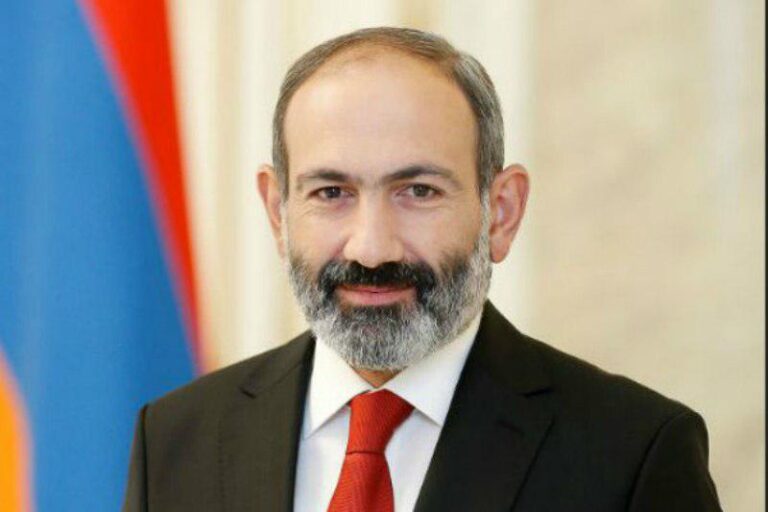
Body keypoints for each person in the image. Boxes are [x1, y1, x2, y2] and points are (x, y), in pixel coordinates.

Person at [122, 27, 721, 511]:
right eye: (331, 193)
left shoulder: (633, 454)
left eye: (418, 191)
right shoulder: (176, 438)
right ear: (278, 212)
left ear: (501, 212)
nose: (372, 249)